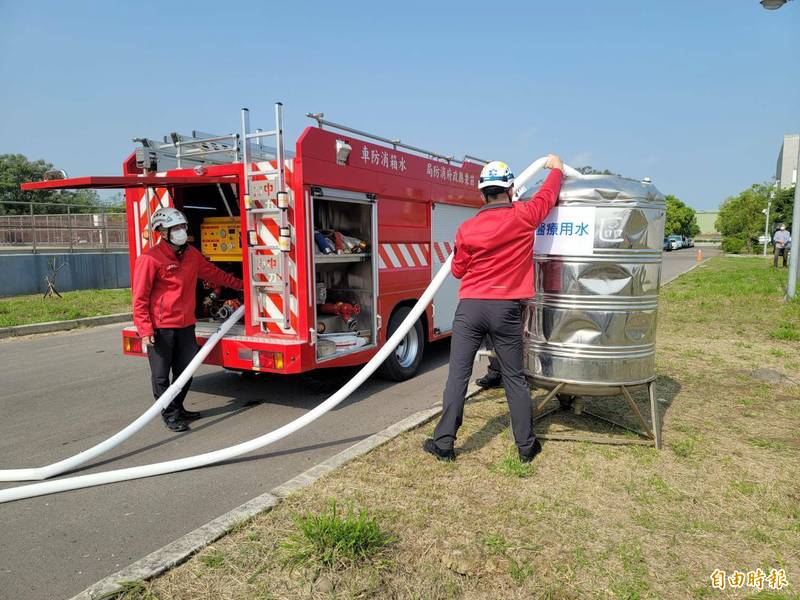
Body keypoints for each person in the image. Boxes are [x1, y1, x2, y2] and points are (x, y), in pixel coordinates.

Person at [424, 156, 564, 463]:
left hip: (470, 309)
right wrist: (556, 169)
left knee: (458, 377)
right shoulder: (525, 215)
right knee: (514, 377)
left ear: (482, 193)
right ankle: (526, 447)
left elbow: (458, 271)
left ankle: (444, 443)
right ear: (511, 189)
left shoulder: (467, 229)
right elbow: (547, 196)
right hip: (507, 310)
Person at [133, 207, 244, 432]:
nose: (181, 231)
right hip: (161, 327)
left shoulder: (191, 254)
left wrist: (244, 287)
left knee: (186, 371)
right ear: (162, 232)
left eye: (182, 226)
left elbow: (213, 273)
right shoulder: (150, 258)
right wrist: (145, 330)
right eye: (175, 228)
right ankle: (170, 414)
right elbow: (140, 297)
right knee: (161, 376)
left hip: (185, 325)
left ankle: (179, 407)